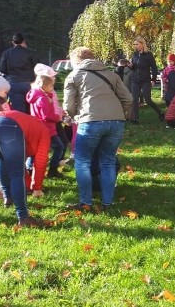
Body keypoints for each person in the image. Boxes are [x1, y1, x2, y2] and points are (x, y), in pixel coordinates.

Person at [63, 47, 133, 210]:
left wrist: (75, 117)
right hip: (116, 122)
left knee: (82, 162)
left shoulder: (74, 76)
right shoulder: (111, 74)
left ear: (76, 61)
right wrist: (118, 113)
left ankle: (85, 202)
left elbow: (68, 106)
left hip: (90, 121)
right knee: (108, 161)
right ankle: (107, 203)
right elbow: (128, 99)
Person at [26, 73, 64, 179]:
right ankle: (52, 169)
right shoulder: (42, 98)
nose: (53, 88)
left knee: (37, 150)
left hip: (38, 126)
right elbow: (46, 115)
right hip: (46, 128)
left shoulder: (36, 95)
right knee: (59, 147)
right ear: (44, 86)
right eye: (51, 85)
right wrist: (57, 117)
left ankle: (29, 169)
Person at [0, 33, 38, 114]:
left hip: (13, 83)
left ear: (13, 42)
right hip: (29, 83)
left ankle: (20, 125)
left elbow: (2, 69)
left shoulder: (6, 53)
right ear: (23, 41)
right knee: (30, 109)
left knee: (18, 110)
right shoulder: (30, 53)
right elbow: (37, 67)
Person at [128, 37, 163, 123]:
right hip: (135, 80)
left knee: (147, 99)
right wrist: (131, 66)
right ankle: (136, 119)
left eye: (137, 44)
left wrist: (153, 80)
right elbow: (134, 67)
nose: (135, 46)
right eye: (134, 44)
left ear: (142, 44)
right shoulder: (134, 54)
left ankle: (160, 113)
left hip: (145, 80)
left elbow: (154, 68)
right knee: (134, 99)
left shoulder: (148, 55)